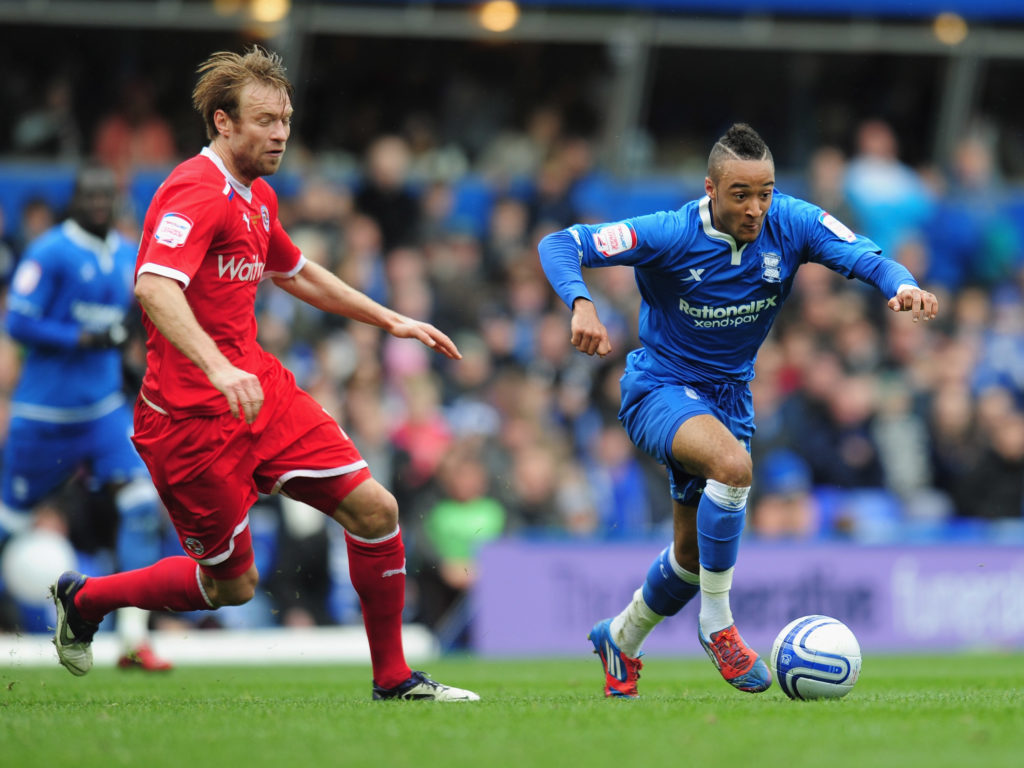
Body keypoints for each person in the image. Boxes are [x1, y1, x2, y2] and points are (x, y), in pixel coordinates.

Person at [47, 47, 478, 702]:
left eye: (285, 118)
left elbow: (296, 271)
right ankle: (87, 601)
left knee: (375, 510)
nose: (280, 132)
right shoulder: (195, 190)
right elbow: (154, 286)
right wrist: (218, 368)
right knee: (230, 586)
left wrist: (388, 318)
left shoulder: (258, 195)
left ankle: (394, 679)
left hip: (260, 393)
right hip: (190, 422)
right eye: (264, 120)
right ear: (223, 123)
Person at [537, 123, 938, 698]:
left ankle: (619, 640)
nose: (755, 208)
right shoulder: (670, 232)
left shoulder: (792, 222)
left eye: (765, 192)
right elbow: (561, 244)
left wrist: (902, 284)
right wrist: (582, 305)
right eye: (741, 194)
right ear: (710, 189)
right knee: (734, 468)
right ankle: (718, 626)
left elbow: (863, 254)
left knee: (688, 558)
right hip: (660, 388)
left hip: (730, 399)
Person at [1, 163, 172, 670]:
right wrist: (83, 338)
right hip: (44, 416)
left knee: (141, 505)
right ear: (74, 200)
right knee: (9, 521)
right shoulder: (50, 251)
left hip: (103, 413)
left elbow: (128, 323)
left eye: (107, 193)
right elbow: (18, 320)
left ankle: (134, 640)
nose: (99, 201)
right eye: (90, 194)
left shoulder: (125, 253)